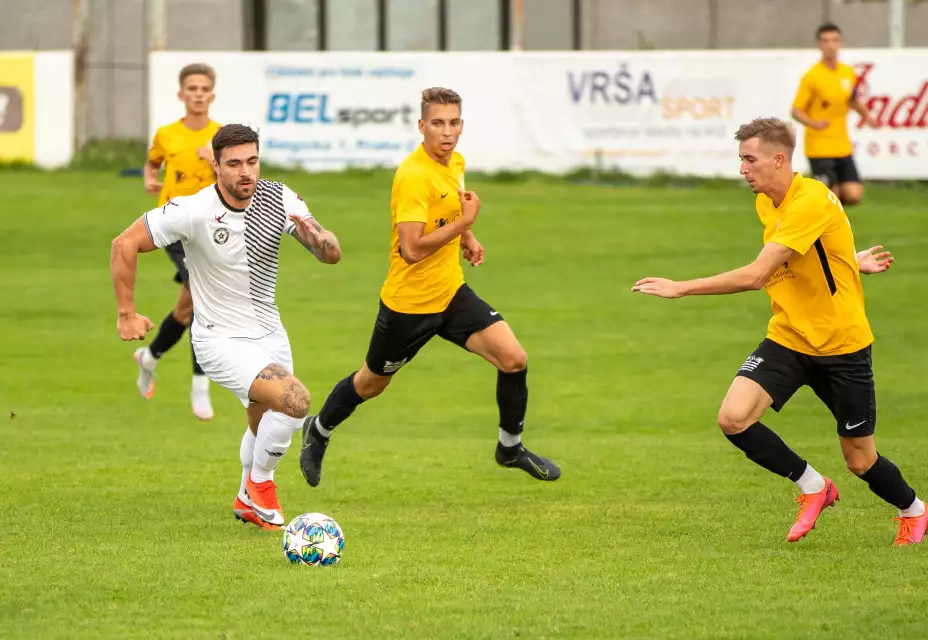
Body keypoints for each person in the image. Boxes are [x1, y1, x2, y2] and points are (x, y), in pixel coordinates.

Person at [632, 117, 926, 546]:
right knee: (733, 418)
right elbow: (808, 247)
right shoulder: (768, 201)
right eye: (740, 160)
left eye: (749, 160)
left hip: (840, 344)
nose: (742, 169)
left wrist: (681, 287)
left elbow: (756, 274)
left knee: (860, 460)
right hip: (788, 336)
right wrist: (847, 260)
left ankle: (914, 510)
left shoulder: (809, 200)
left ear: (779, 159)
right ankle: (813, 486)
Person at [298, 87, 560, 487]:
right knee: (371, 383)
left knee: (513, 359)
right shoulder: (412, 176)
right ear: (421, 126)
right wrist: (465, 224)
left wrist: (466, 238)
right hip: (408, 306)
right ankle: (319, 429)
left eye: (454, 122)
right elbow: (412, 249)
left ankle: (510, 447)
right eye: (437, 123)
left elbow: (449, 211)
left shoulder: (455, 162)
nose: (447, 132)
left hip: (451, 293)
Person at [110, 124, 342, 529]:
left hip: (270, 333)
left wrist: (321, 242)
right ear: (215, 165)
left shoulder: (277, 196)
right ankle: (260, 484)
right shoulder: (193, 210)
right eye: (234, 164)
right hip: (218, 339)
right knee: (295, 401)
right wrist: (126, 313)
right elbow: (123, 243)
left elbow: (330, 253)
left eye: (252, 161)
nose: (245, 172)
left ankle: (243, 497)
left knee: (270, 417)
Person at [135, 63, 223, 420]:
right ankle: (200, 387)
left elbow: (238, 176)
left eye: (204, 88)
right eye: (192, 88)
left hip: (210, 227)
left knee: (185, 310)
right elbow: (152, 160)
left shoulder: (221, 136)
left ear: (212, 95)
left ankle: (150, 356)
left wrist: (214, 161)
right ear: (181, 95)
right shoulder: (167, 134)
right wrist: (150, 180)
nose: (198, 94)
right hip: (173, 225)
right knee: (202, 301)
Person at [791, 23, 878, 206]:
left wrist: (867, 116)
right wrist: (814, 123)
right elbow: (796, 110)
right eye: (825, 41)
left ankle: (820, 197)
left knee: (853, 195)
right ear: (819, 45)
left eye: (835, 40)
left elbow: (851, 99)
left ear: (841, 43)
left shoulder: (847, 72)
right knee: (831, 198)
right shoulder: (812, 76)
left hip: (842, 143)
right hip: (819, 145)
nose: (830, 45)